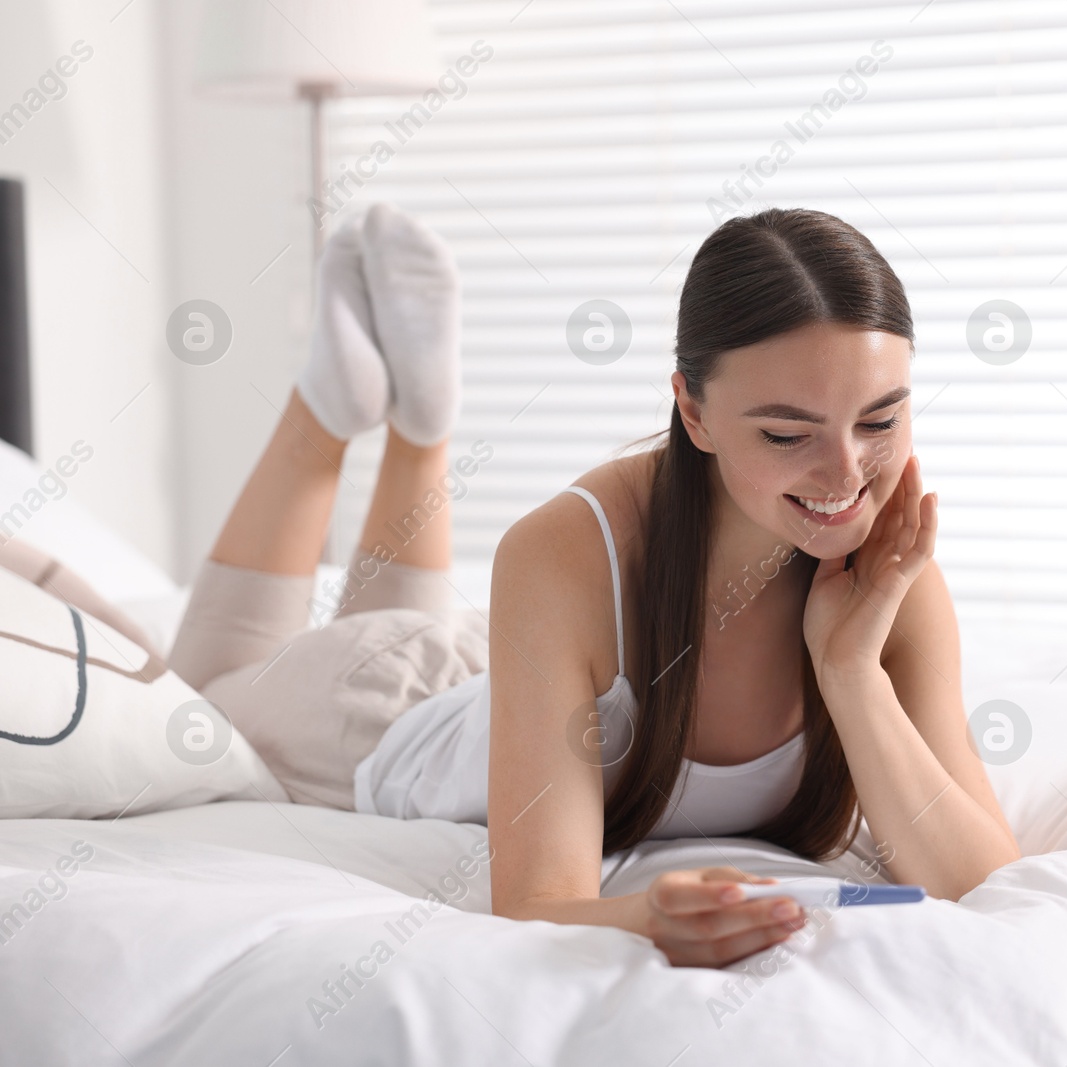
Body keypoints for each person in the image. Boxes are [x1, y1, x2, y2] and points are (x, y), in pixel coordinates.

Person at [157, 203, 1021, 969]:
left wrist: (850, 670)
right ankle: (329, 410)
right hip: (380, 708)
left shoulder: (889, 575)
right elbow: (536, 904)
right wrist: (645, 919)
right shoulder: (564, 549)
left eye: (880, 420)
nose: (847, 474)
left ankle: (417, 423)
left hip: (512, 678)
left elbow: (982, 878)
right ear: (693, 411)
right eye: (789, 434)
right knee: (212, 694)